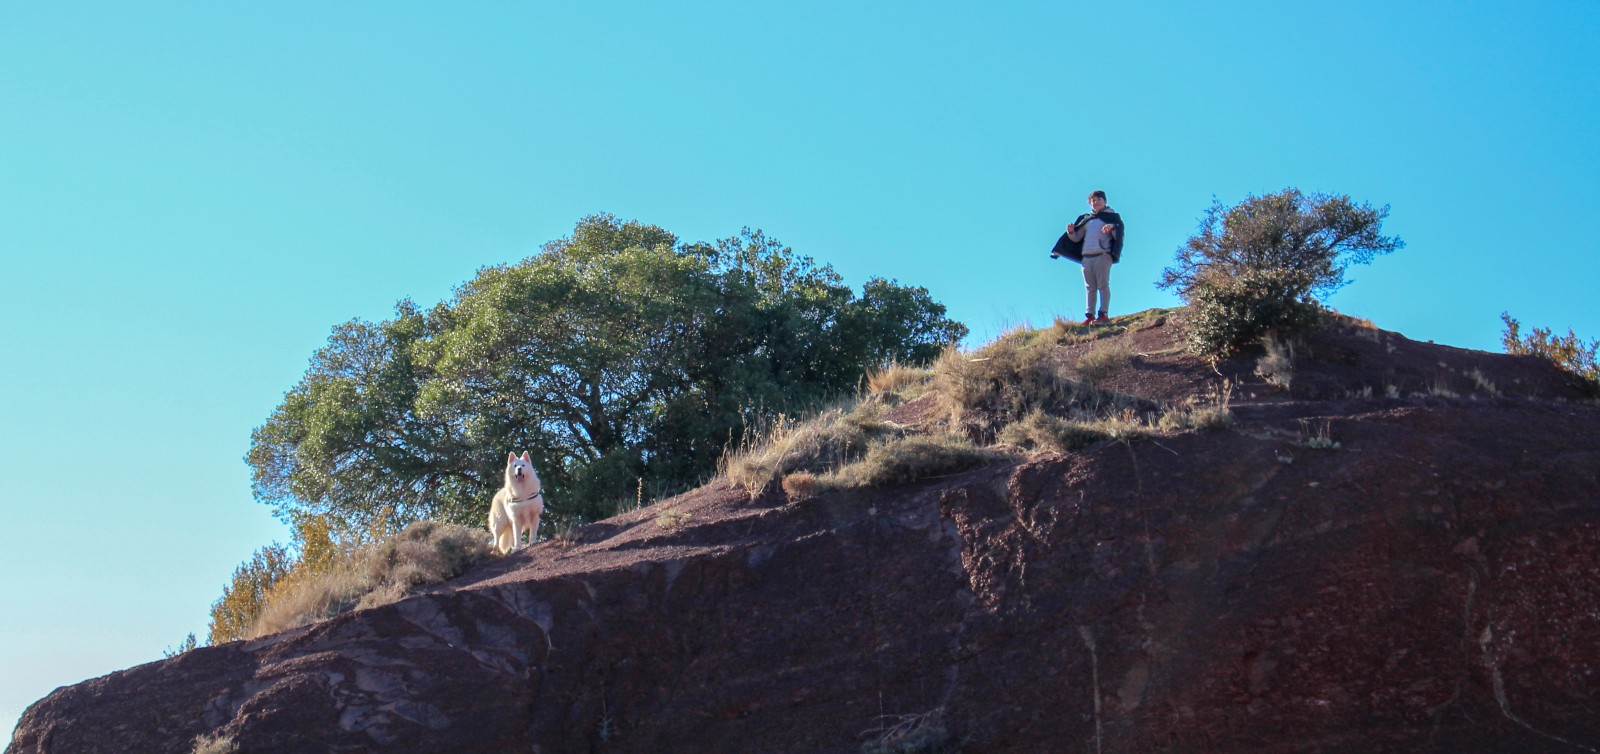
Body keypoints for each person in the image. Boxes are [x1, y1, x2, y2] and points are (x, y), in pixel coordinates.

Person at [1049, 190, 1124, 325]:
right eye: (1093, 201)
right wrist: (1071, 232)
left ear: (1105, 201)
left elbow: (1118, 235)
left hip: (1103, 255)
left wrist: (1112, 227)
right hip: (1086, 257)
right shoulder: (1087, 219)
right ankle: (1090, 315)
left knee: (1103, 285)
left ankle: (1103, 314)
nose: (1095, 203)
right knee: (1090, 287)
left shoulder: (1112, 217)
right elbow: (1077, 238)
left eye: (1098, 200)